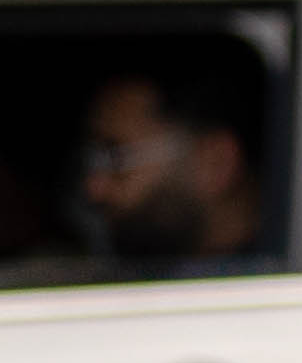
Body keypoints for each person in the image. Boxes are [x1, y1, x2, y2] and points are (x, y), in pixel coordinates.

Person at [76, 56, 276, 266]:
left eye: (115, 158)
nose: (94, 188)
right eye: (93, 158)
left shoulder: (279, 284)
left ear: (216, 162)